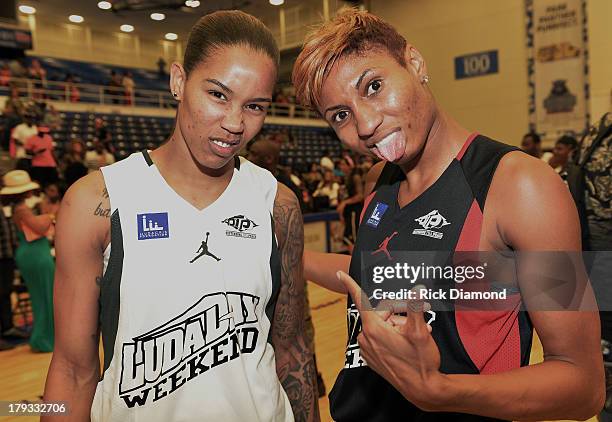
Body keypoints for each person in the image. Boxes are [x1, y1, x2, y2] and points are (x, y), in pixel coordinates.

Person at [292, 8, 604, 421]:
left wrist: (440, 391)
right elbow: (378, 273)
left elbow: (582, 385)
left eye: (374, 86)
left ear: (415, 63)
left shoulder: (521, 187)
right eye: (341, 115)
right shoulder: (377, 182)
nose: (365, 124)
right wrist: (288, 256)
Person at [43, 10, 318, 422]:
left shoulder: (277, 205)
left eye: (255, 106)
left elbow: (292, 350)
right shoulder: (97, 202)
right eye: (218, 95)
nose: (234, 123)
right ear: (178, 81)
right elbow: (72, 369)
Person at [0, 170, 55, 353]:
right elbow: (39, 227)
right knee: (45, 296)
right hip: (35, 254)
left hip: (32, 253)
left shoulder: (19, 208)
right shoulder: (22, 209)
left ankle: (43, 337)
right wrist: (49, 216)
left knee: (41, 296)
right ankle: (44, 339)